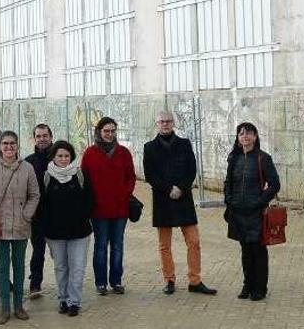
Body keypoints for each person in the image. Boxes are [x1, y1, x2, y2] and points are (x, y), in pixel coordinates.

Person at [143, 110, 217, 296]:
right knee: (164, 245)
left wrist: (181, 188)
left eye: (168, 121)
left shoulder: (184, 144)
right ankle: (169, 280)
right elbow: (150, 175)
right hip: (162, 199)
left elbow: (192, 169)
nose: (165, 124)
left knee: (194, 241)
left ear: (173, 123)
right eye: (161, 121)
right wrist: (169, 189)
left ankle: (195, 280)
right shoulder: (149, 147)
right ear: (156, 124)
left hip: (183, 199)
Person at [0, 131, 40, 324]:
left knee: (20, 267)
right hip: (0, 226)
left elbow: (34, 194)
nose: (9, 147)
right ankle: (5, 308)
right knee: (3, 267)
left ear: (17, 145)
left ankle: (19, 306)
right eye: (5, 143)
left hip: (21, 226)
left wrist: (27, 214)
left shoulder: (27, 168)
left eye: (12, 143)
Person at [223, 122, 281, 301]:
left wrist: (259, 201)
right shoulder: (234, 158)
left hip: (256, 213)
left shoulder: (263, 158)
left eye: (249, 133)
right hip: (238, 212)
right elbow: (228, 182)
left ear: (255, 136)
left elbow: (274, 185)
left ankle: (259, 288)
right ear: (237, 138)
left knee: (258, 250)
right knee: (245, 250)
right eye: (241, 134)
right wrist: (229, 200)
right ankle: (247, 285)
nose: (245, 137)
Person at [80, 116, 135, 296]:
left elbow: (131, 177)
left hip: (120, 209)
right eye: (106, 131)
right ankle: (101, 282)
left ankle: (116, 281)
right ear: (99, 132)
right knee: (101, 245)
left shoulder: (124, 153)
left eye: (112, 131)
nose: (110, 134)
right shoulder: (89, 154)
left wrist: (125, 194)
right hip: (99, 210)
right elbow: (85, 181)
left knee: (118, 246)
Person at [41, 140, 93, 317]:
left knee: (77, 267)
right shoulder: (47, 176)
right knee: (61, 267)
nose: (63, 159)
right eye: (60, 156)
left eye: (66, 156)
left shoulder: (80, 175)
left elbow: (89, 199)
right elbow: (42, 204)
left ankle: (74, 302)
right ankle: (63, 299)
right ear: (53, 157)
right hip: (55, 233)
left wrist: (83, 216)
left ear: (71, 157)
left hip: (79, 231)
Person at [23, 124, 53, 298]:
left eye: (45, 136)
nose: (42, 139)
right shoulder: (28, 162)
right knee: (38, 251)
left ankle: (65, 286)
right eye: (39, 136)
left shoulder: (60, 157)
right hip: (37, 215)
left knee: (61, 254)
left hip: (57, 214)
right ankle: (35, 284)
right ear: (34, 139)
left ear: (51, 137)